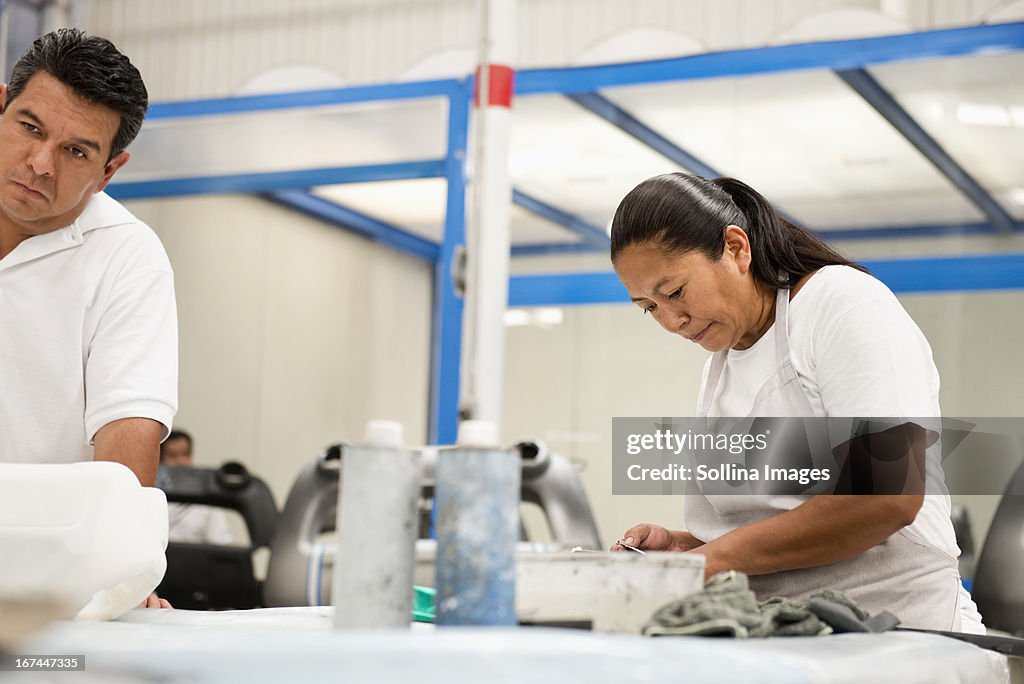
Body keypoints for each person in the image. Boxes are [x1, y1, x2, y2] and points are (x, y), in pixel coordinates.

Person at [608, 172, 983, 633]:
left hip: (900, 631)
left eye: (675, 292)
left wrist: (713, 559)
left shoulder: (842, 304)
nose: (671, 321)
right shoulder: (721, 364)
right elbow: (779, 522)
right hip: (791, 632)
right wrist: (688, 548)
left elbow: (888, 495)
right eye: (649, 307)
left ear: (736, 248)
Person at [0, 29, 177, 608]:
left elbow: (128, 431)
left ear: (109, 170)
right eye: (30, 127)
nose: (40, 164)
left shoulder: (127, 255)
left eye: (77, 151)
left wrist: (116, 571)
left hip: (43, 577)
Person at [160, 430, 233, 545]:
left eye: (185, 454)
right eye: (172, 455)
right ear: (161, 459)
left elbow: (220, 546)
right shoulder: (151, 496)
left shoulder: (209, 499)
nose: (180, 461)